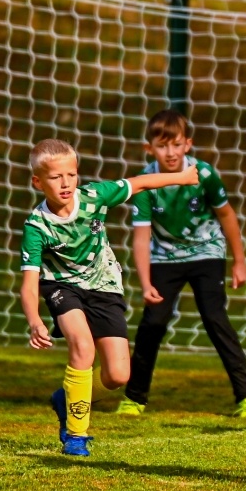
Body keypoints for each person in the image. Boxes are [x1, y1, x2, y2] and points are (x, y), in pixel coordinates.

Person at [20, 138, 196, 457]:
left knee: (117, 376)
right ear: (38, 182)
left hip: (104, 284)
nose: (66, 183)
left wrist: (182, 178)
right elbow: (30, 282)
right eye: (56, 177)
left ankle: (67, 399)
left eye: (71, 175)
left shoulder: (94, 196)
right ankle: (76, 435)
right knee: (83, 347)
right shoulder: (37, 225)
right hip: (61, 286)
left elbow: (140, 182)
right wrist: (34, 321)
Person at [117, 109, 246, 419]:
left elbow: (227, 215)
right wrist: (145, 283)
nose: (170, 152)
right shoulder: (146, 183)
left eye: (176, 144)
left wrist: (240, 261)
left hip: (207, 253)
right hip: (164, 258)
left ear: (188, 145)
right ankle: (134, 398)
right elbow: (141, 238)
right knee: (152, 323)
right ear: (150, 148)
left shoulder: (205, 174)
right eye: (162, 145)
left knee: (214, 317)